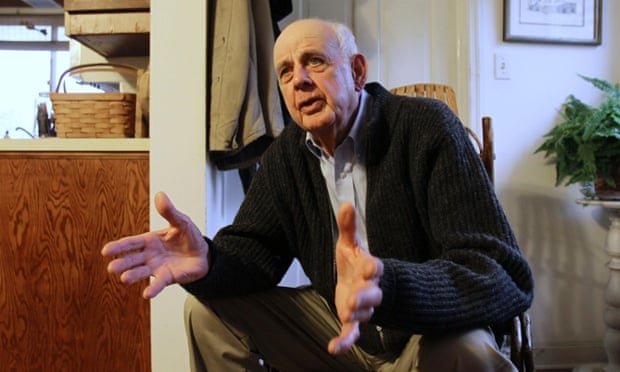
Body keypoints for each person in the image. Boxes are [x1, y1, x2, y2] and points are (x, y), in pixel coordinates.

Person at [102, 18, 534, 371]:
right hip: (338, 338)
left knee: (470, 353)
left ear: (357, 71)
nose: (299, 81)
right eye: (286, 72)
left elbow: (502, 275)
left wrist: (387, 284)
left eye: (315, 62)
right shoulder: (289, 153)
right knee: (206, 314)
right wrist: (210, 261)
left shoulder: (427, 128)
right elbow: (256, 255)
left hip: (423, 335)